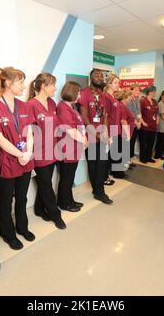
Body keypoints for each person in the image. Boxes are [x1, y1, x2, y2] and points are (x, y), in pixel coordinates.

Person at [0, 67, 35, 250]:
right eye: (20, 81)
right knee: (6, 200)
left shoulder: (24, 106)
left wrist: (28, 152)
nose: (23, 85)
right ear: (7, 83)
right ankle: (7, 232)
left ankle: (23, 227)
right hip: (6, 161)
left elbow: (29, 132)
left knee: (22, 198)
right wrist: (20, 154)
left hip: (25, 160)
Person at [27, 72, 66, 229]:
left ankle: (38, 209)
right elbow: (28, 132)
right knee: (46, 185)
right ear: (43, 86)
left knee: (44, 184)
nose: (55, 88)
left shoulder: (52, 103)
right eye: (53, 85)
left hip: (53, 151)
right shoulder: (30, 105)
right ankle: (55, 215)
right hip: (39, 154)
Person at [77, 69, 112, 204]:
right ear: (90, 78)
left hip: (101, 136)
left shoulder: (102, 95)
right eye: (96, 75)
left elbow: (104, 115)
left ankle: (99, 191)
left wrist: (104, 132)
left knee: (102, 164)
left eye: (101, 76)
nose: (100, 77)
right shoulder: (84, 93)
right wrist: (96, 134)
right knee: (93, 164)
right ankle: (97, 190)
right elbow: (84, 117)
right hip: (90, 136)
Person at [56, 81, 87, 212]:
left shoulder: (71, 107)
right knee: (66, 178)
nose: (80, 95)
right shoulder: (63, 107)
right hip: (67, 149)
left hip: (74, 148)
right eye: (78, 92)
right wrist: (84, 140)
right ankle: (64, 203)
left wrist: (84, 137)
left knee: (70, 177)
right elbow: (70, 130)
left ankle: (70, 199)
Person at [102, 75, 134, 179]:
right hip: (111, 129)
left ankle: (117, 172)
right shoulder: (106, 97)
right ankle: (114, 174)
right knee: (112, 153)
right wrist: (107, 132)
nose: (117, 85)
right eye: (115, 82)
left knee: (117, 152)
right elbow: (105, 115)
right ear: (109, 83)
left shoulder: (114, 98)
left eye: (118, 82)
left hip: (117, 129)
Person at [139, 86, 159, 163]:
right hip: (145, 126)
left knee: (151, 143)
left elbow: (156, 112)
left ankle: (148, 157)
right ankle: (143, 158)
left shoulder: (155, 101)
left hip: (153, 126)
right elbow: (139, 112)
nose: (155, 93)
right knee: (143, 143)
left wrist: (157, 120)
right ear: (150, 92)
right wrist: (142, 122)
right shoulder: (143, 101)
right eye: (154, 91)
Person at [127, 84, 142, 163]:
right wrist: (137, 122)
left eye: (139, 90)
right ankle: (126, 161)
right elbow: (130, 114)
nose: (137, 91)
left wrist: (139, 121)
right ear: (131, 90)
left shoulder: (137, 100)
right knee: (128, 143)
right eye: (135, 90)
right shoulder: (129, 100)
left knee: (132, 143)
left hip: (136, 125)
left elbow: (139, 112)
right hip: (130, 125)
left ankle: (130, 160)